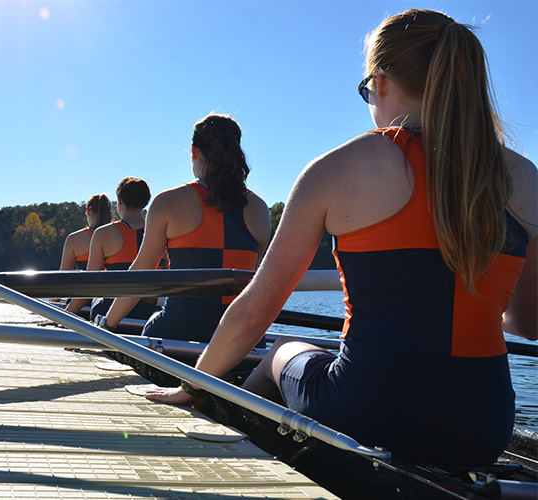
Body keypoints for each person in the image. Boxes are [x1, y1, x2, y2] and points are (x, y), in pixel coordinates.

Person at [146, 9, 537, 467]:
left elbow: (254, 311)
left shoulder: (340, 168)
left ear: (382, 81)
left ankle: (236, 454)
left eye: (367, 91)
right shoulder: (523, 178)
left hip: (370, 411)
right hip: (484, 425)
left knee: (281, 350)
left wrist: (190, 386)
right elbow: (528, 323)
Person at [101, 114, 270, 343]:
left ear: (194, 151)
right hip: (240, 344)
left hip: (179, 339)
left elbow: (141, 273)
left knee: (150, 326)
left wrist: (106, 326)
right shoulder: (260, 209)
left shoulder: (167, 202)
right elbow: (250, 282)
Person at [66, 177, 161, 320]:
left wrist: (64, 317)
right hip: (149, 313)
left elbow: (90, 286)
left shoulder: (103, 234)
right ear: (145, 201)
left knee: (98, 299)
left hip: (109, 311)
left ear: (120, 201)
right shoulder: (160, 232)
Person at [58, 194, 112, 271]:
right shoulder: (119, 234)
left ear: (88, 211)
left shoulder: (74, 239)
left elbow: (63, 275)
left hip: (87, 282)